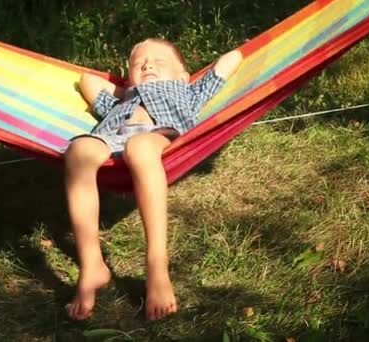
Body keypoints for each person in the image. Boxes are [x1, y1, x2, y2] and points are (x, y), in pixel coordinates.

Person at [64, 37, 243, 321]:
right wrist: (130, 89)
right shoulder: (121, 100)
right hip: (112, 138)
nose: (147, 64)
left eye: (159, 62)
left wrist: (177, 80)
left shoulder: (189, 91)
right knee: (78, 150)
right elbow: (88, 81)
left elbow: (232, 59)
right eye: (138, 64)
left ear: (183, 76)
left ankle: (156, 266)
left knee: (140, 147)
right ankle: (92, 264)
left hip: (161, 136)